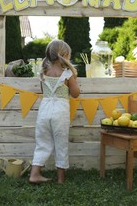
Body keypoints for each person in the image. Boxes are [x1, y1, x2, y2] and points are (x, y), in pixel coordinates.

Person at [29, 39, 80, 184]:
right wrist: (74, 82)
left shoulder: (44, 72)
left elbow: (42, 90)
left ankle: (34, 174)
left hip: (44, 110)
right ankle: (60, 179)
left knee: (42, 142)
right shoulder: (68, 74)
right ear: (64, 55)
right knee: (61, 143)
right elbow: (76, 93)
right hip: (60, 112)